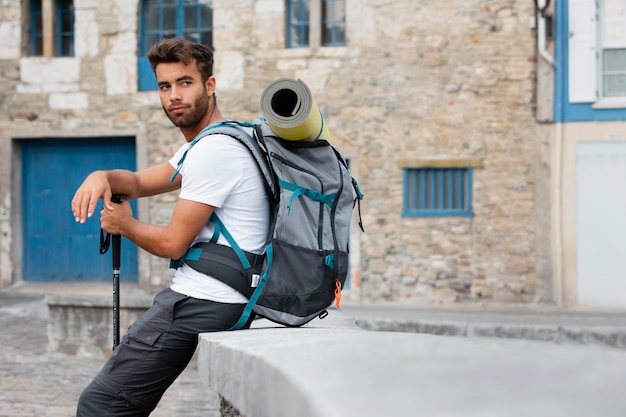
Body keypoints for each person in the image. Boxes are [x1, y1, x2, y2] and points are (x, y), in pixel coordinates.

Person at [71, 37, 269, 417]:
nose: (174, 96)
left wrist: (124, 225)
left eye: (185, 82)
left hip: (204, 299)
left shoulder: (215, 151)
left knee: (100, 406)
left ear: (209, 86)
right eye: (165, 86)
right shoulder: (214, 141)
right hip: (220, 296)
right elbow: (140, 183)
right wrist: (101, 175)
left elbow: (174, 244)